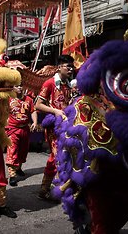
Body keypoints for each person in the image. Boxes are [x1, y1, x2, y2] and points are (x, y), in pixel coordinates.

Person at [35, 55, 74, 200]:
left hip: (67, 127)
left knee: (61, 157)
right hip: (54, 128)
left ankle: (48, 189)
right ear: (59, 67)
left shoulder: (68, 84)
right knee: (58, 157)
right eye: (67, 66)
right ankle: (56, 190)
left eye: (72, 66)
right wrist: (56, 111)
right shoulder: (50, 83)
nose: (70, 69)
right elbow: (38, 105)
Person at [6, 85, 39, 186]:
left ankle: (18, 168)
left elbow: (33, 111)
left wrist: (35, 122)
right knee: (12, 151)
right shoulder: (8, 99)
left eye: (21, 86)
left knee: (23, 151)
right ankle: (12, 175)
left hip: (25, 129)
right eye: (17, 86)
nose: (20, 88)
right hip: (13, 129)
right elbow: (3, 112)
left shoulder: (28, 99)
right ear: (12, 88)